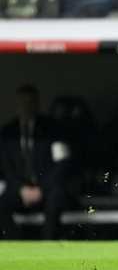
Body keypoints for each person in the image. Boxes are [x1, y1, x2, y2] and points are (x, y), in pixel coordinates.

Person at [0, 85, 72, 240]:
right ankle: (16, 244)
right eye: (22, 103)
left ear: (37, 104)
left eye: (30, 102)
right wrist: (22, 189)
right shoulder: (7, 132)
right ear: (16, 105)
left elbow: (62, 163)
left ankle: (47, 244)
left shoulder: (52, 129)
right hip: (20, 189)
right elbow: (6, 167)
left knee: (57, 196)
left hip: (46, 188)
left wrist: (41, 189)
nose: (26, 107)